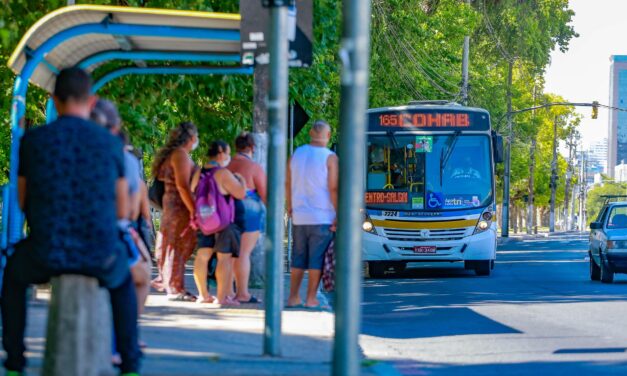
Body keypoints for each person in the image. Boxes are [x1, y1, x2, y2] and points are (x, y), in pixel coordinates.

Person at [1, 67, 140, 375]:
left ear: (55, 100)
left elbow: (23, 201)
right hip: (99, 253)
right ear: (91, 102)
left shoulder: (34, 140)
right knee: (124, 284)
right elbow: (120, 209)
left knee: (13, 277)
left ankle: (14, 363)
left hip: (46, 251)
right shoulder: (110, 143)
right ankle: (130, 365)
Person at [91, 99, 152, 317]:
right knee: (143, 275)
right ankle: (127, 336)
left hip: (61, 236)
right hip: (106, 236)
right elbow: (127, 213)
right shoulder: (123, 159)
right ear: (115, 128)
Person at [286, 120, 338, 309]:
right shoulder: (330, 157)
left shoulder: (296, 154)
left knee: (298, 257)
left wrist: (290, 206)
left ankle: (293, 297)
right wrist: (338, 213)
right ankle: (310, 298)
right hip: (322, 216)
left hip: (299, 215)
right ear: (328, 136)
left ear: (310, 133)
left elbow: (288, 182)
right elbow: (333, 188)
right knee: (316, 258)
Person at [191, 141, 247, 306]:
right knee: (224, 258)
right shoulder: (223, 173)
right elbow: (240, 194)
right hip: (224, 222)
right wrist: (241, 181)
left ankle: (203, 295)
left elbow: (192, 192)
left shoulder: (198, 173)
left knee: (202, 256)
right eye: (228, 153)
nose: (229, 157)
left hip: (204, 219)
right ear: (221, 153)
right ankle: (222, 298)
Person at [151, 122, 199, 301]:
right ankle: (174, 287)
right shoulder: (180, 155)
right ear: (191, 138)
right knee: (176, 244)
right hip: (179, 207)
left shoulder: (175, 154)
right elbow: (183, 186)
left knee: (174, 243)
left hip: (174, 206)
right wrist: (194, 209)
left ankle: (174, 285)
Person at [226, 132, 267, 303]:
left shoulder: (226, 165)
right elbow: (266, 194)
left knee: (226, 254)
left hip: (227, 208)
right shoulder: (253, 167)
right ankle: (242, 293)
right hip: (249, 208)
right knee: (243, 253)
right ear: (251, 148)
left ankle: (226, 292)